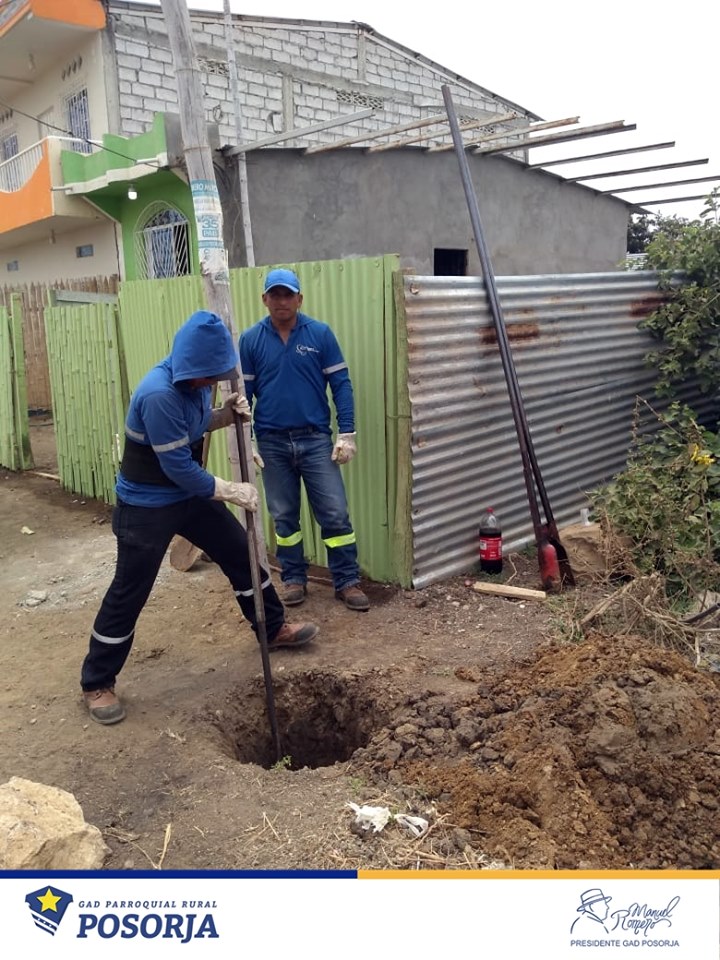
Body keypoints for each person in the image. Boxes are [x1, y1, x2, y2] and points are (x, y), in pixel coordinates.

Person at [81, 309, 318, 726]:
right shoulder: (158, 393)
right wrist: (230, 490)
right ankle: (97, 681)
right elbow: (178, 467)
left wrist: (223, 415)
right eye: (208, 376)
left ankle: (272, 628)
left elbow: (191, 424)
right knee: (130, 589)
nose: (211, 382)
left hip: (187, 496)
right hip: (146, 504)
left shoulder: (195, 384)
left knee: (240, 553)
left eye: (215, 376)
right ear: (190, 366)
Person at [239, 268, 369, 612]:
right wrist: (245, 440)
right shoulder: (250, 340)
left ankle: (347, 580)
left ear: (299, 299)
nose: (281, 301)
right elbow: (243, 396)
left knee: (335, 513)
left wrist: (347, 432)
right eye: (275, 294)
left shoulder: (320, 334)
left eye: (288, 295)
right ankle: (294, 578)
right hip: (272, 442)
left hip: (315, 441)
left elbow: (341, 384)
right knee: (284, 516)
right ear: (264, 299)